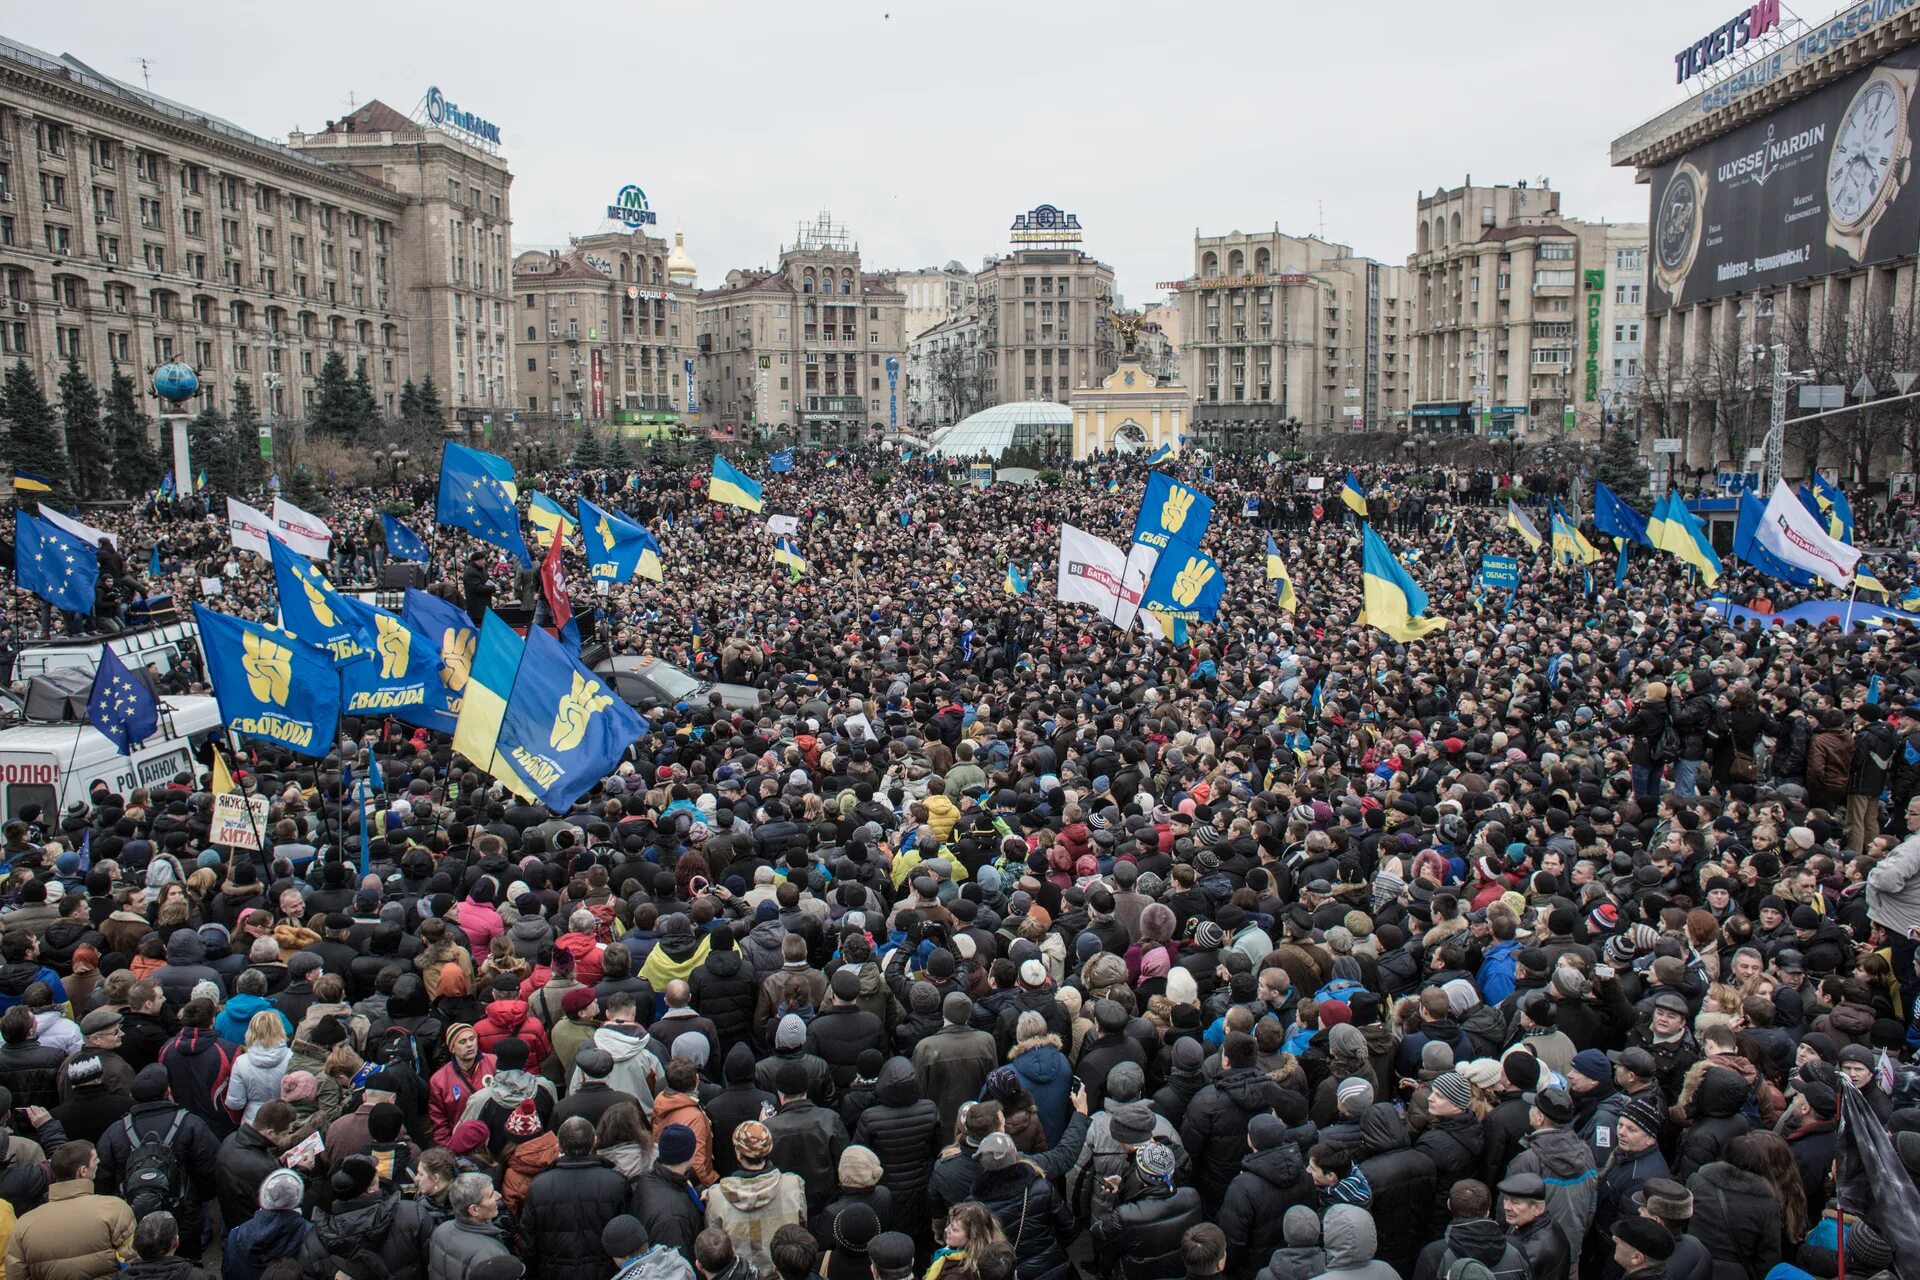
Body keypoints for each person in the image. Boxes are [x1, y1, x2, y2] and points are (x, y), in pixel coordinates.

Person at [519, 1116, 637, 1280]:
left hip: (553, 1273)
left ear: (559, 1145)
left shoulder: (538, 1186)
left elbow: (529, 1241)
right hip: (605, 1272)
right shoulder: (616, 1182)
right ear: (594, 1141)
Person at [3, 1139, 136, 1280]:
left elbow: (16, 1275)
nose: (98, 1165)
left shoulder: (24, 1224)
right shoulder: (115, 1209)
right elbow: (133, 1262)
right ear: (83, 1171)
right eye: (95, 1161)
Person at [707, 1120, 806, 1274]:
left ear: (738, 1153)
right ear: (768, 1150)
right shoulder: (792, 1185)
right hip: (784, 1273)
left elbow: (714, 1242)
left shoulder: (717, 1196)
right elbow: (802, 1229)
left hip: (741, 1275)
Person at [427, 1172, 512, 1280]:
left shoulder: (442, 1230)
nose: (498, 1196)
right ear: (474, 1210)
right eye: (491, 1195)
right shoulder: (491, 1256)